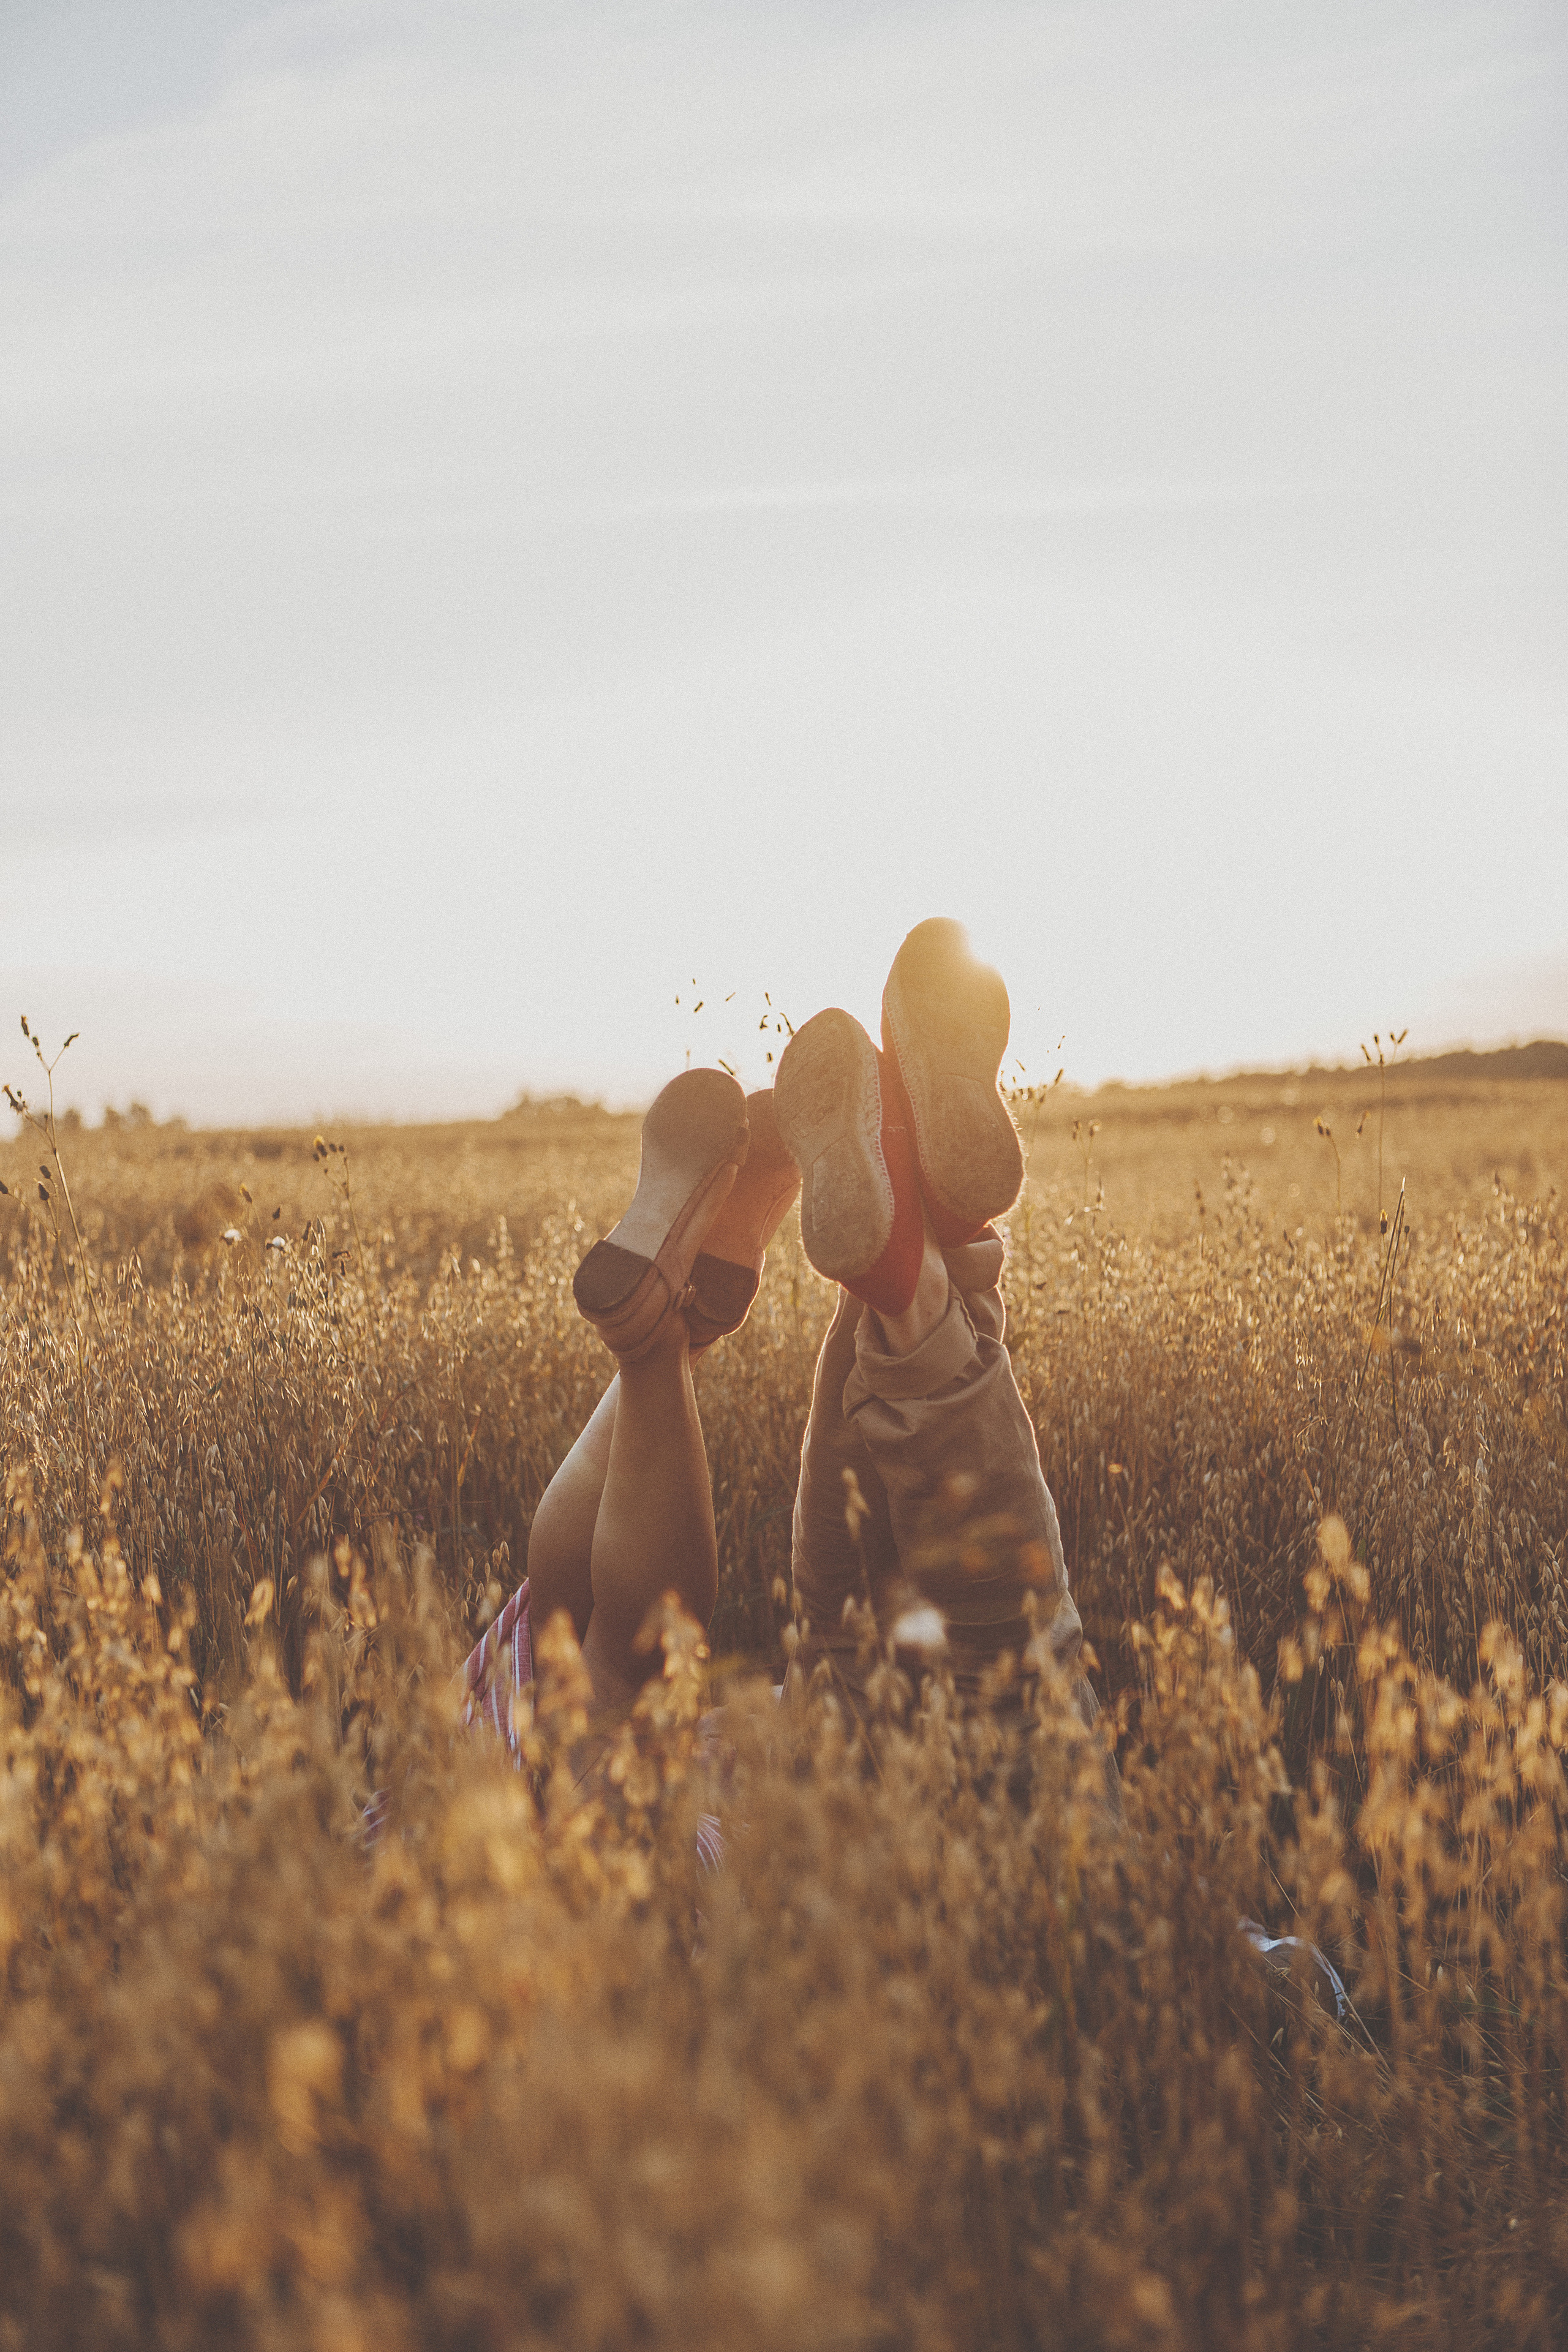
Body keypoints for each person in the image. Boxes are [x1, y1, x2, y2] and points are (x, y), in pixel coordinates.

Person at [462, 919, 1098, 1766]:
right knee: (562, 1632)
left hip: (599, 1831)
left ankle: (887, 1294)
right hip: (485, 1758)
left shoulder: (414, 1884)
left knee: (640, 1694)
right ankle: (710, 1325)